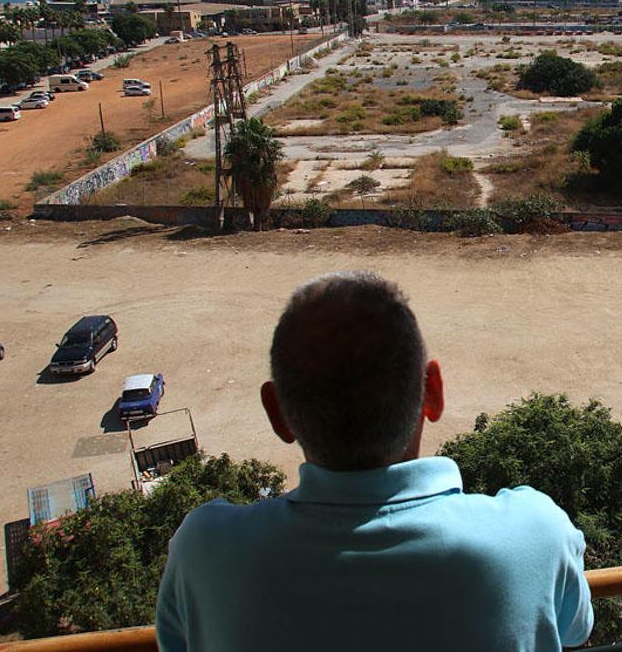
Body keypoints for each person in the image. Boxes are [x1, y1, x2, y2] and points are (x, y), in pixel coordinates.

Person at [156, 272, 593, 651]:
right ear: (433, 392)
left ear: (278, 413)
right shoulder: (533, 533)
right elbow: (576, 629)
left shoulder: (206, 550)